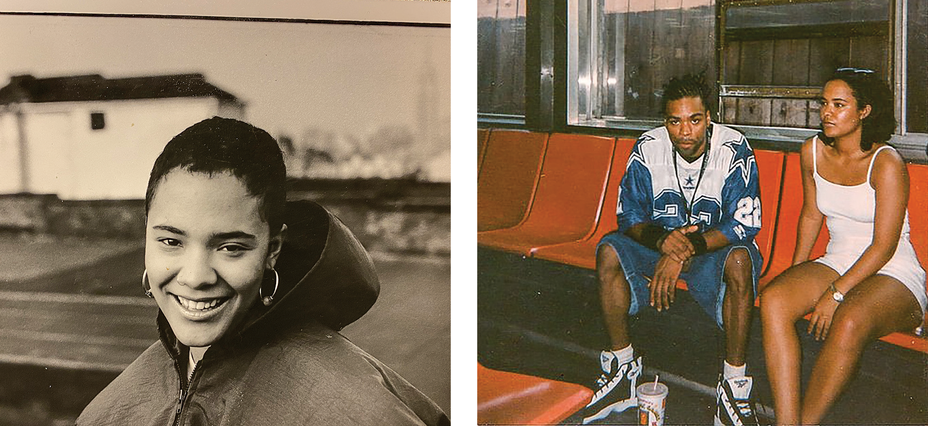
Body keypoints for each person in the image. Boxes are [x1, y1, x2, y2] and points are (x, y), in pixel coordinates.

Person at [77, 117, 448, 425]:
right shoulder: (109, 410)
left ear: (272, 250)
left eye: (231, 248)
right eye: (171, 242)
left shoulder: (360, 413)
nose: (195, 277)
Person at [581, 73, 763, 425]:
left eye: (694, 120)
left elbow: (744, 223)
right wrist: (663, 242)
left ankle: (734, 386)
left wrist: (682, 250)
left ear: (708, 118)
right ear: (665, 121)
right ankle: (622, 368)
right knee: (609, 251)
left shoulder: (733, 147)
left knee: (740, 260)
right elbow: (628, 215)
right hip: (661, 245)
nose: (684, 132)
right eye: (674, 121)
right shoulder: (649, 146)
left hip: (712, 251)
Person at [759, 68, 926, 424]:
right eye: (824, 104)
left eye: (839, 105)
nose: (826, 113)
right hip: (839, 259)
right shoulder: (813, 152)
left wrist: (835, 293)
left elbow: (884, 246)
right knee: (774, 299)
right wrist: (794, 271)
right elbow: (810, 215)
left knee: (848, 319)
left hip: (893, 270)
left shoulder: (886, 162)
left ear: (864, 111)